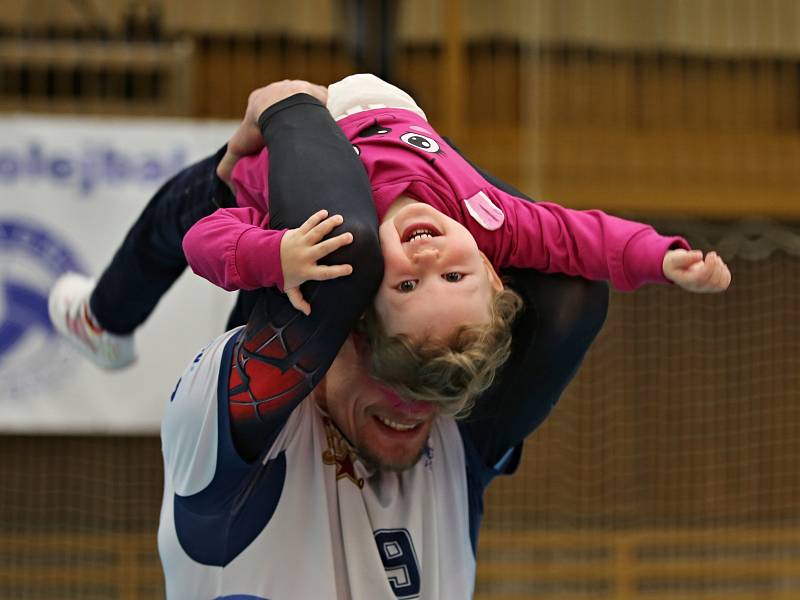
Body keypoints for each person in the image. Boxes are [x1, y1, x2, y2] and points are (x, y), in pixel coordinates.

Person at [183, 74, 731, 411]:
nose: (428, 258)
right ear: (493, 271)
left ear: (366, 292)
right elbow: (581, 237)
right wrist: (662, 257)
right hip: (390, 107)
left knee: (174, 217)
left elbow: (204, 237)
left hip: (275, 140)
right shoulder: (491, 222)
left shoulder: (323, 236)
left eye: (406, 283)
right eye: (453, 276)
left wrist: (276, 257)